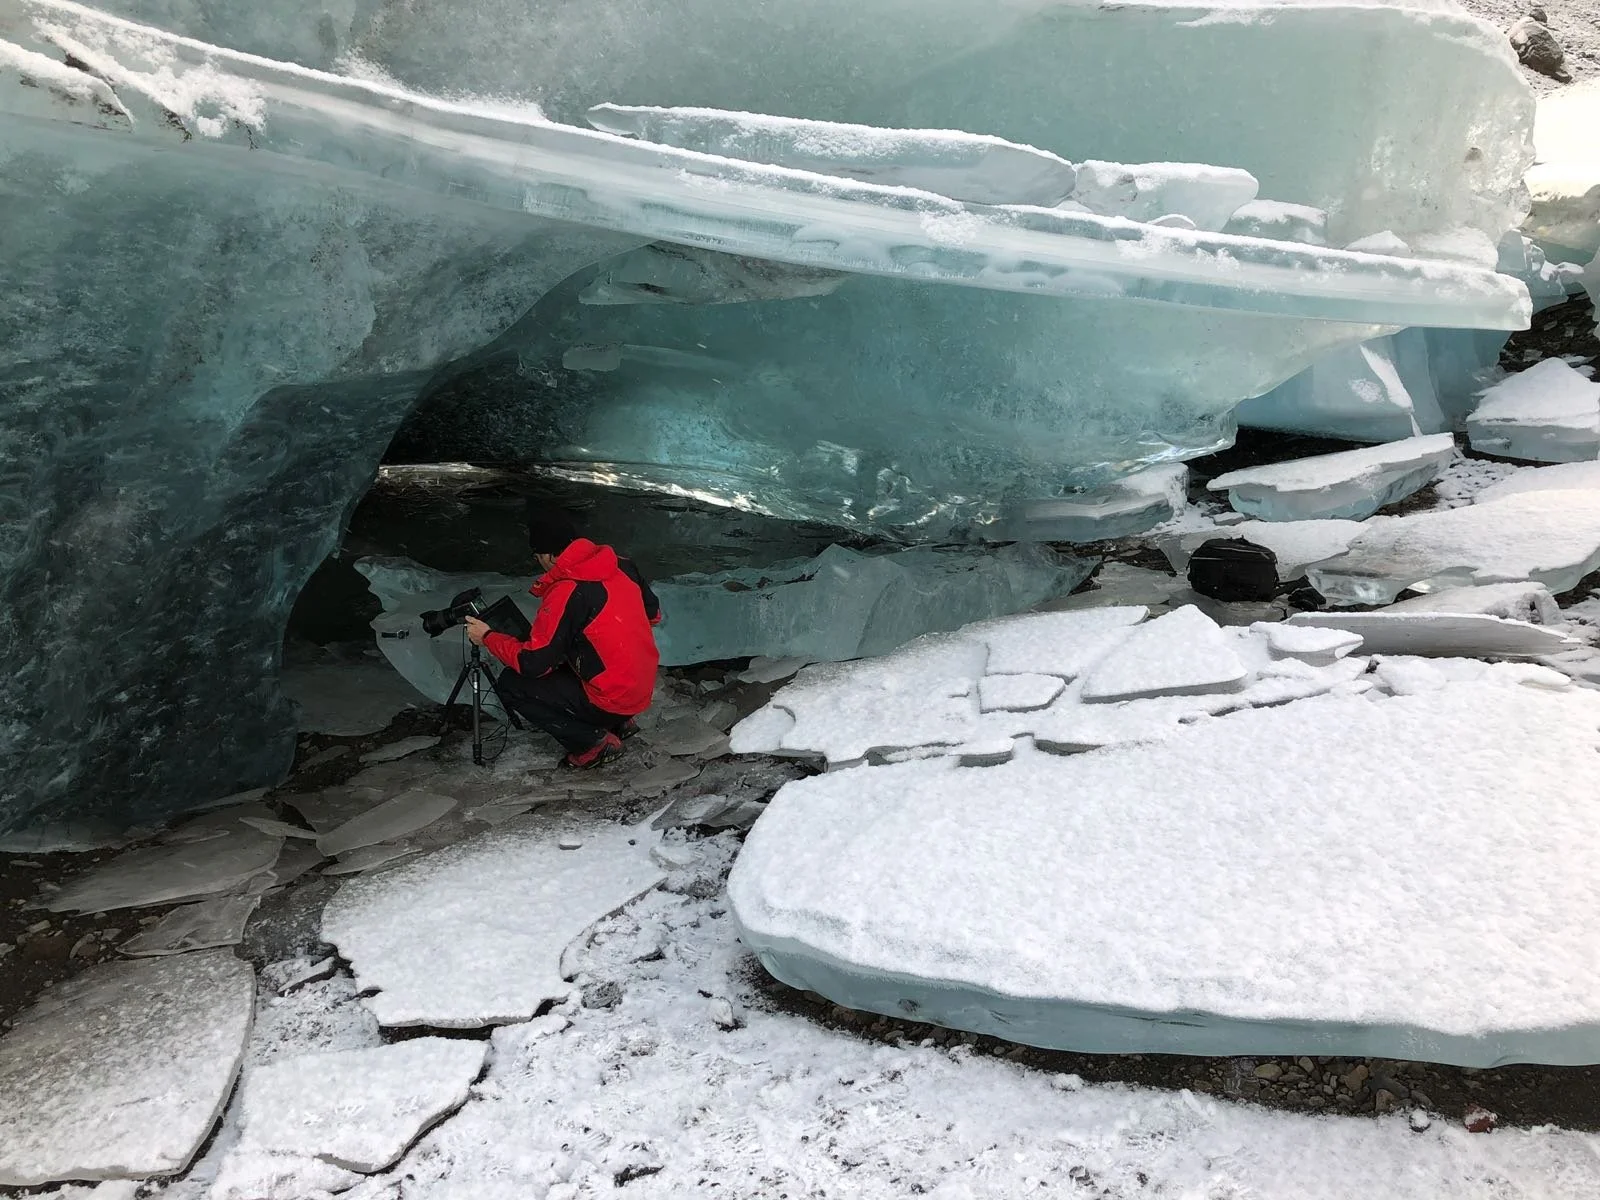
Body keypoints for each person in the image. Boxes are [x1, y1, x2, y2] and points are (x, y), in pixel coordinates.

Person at [465, 508, 661, 769]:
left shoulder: (568, 589)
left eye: (537, 557)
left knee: (512, 684)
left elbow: (534, 664)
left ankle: (591, 743)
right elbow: (654, 615)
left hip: (612, 697)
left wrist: (487, 636)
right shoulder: (622, 563)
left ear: (546, 555)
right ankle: (620, 722)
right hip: (641, 686)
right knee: (581, 650)